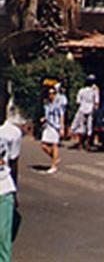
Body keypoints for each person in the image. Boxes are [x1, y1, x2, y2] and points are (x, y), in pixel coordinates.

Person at [0, 94, 22, 262]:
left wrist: (15, 194)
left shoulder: (12, 133)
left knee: (3, 240)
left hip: (4, 190)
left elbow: (13, 164)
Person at [70, 75, 100, 151]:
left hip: (82, 109)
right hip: (90, 109)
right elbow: (96, 102)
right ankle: (87, 143)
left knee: (81, 127)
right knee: (89, 127)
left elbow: (78, 102)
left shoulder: (81, 90)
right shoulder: (94, 91)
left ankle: (80, 144)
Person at [40, 87, 64, 173]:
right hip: (48, 126)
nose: (51, 95)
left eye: (53, 93)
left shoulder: (58, 104)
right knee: (43, 145)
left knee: (54, 145)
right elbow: (47, 115)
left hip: (55, 126)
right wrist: (44, 119)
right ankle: (55, 157)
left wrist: (62, 128)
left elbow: (61, 116)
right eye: (49, 93)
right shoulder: (47, 105)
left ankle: (53, 166)